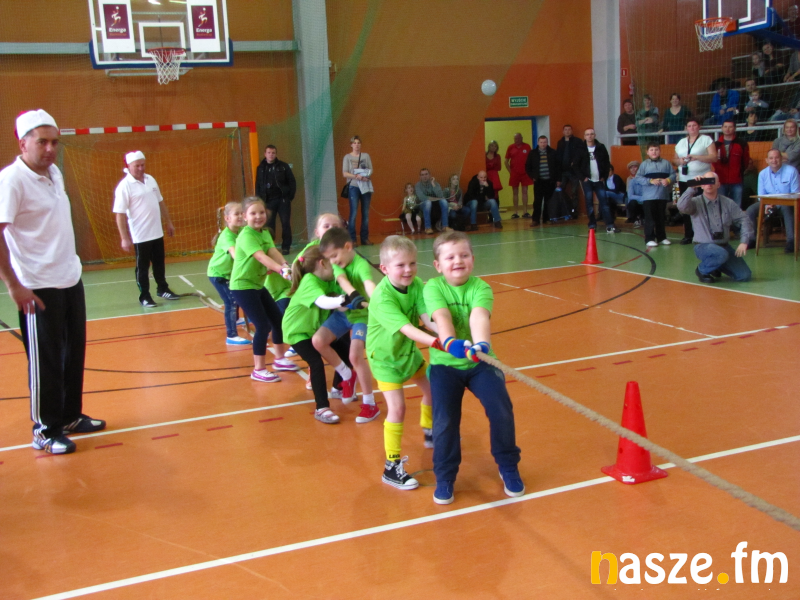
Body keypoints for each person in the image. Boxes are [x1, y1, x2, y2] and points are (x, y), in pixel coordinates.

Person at [0, 109, 105, 455]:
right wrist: (14, 285)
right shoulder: (11, 181)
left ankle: (70, 415)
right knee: (45, 361)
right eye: (42, 142)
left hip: (69, 278)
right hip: (37, 286)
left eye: (54, 142)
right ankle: (45, 429)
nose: (50, 149)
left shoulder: (54, 172)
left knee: (73, 353)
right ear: (23, 143)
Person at [423, 231, 523, 505]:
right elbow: (442, 317)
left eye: (464, 255)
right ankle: (445, 476)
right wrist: (450, 342)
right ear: (438, 265)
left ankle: (508, 465)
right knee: (445, 421)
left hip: (480, 363)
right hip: (445, 365)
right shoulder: (432, 288)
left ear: (473, 260)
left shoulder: (481, 287)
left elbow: (479, 316)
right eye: (450, 257)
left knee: (501, 408)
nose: (458, 261)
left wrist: (481, 346)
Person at [367, 236, 438, 489]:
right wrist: (439, 343)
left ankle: (429, 429)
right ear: (384, 268)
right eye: (400, 265)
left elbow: (426, 317)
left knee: (432, 388)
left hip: (407, 353)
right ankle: (391, 467)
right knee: (397, 409)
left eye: (412, 263)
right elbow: (408, 328)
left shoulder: (416, 284)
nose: (408, 270)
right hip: (385, 360)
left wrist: (446, 333)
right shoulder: (382, 297)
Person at [283, 245, 357, 424]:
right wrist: (345, 299)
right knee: (316, 362)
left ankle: (338, 387)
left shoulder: (328, 280)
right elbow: (323, 302)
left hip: (315, 328)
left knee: (345, 350)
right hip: (297, 331)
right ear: (322, 264)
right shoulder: (309, 280)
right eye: (334, 263)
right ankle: (322, 407)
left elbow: (339, 305)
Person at [229, 196, 299, 382]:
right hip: (243, 286)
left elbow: (272, 251)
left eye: (261, 212)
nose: (258, 216)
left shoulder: (264, 233)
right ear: (245, 216)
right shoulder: (246, 236)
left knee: (277, 320)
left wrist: (285, 264)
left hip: (257, 284)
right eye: (253, 213)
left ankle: (280, 359)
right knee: (262, 325)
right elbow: (260, 257)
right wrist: (280, 270)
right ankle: (258, 369)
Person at [319, 226, 381, 423]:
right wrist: (353, 295)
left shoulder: (360, 264)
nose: (333, 261)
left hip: (360, 316)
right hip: (343, 314)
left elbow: (369, 283)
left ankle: (370, 404)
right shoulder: (338, 265)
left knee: (355, 356)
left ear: (347, 247)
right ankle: (347, 376)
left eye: (334, 256)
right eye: (329, 258)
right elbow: (342, 279)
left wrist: (376, 302)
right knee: (318, 341)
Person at [113, 150, 178, 307]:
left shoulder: (151, 180)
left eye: (143, 165)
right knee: (142, 268)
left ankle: (162, 288)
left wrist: (168, 222)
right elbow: (120, 214)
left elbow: (160, 202)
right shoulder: (124, 186)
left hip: (157, 232)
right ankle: (145, 296)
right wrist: (124, 238)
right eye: (137, 166)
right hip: (140, 236)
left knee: (159, 263)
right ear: (129, 166)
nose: (141, 168)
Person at [677, 172, 753, 283]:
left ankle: (716, 266)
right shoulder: (695, 202)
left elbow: (744, 219)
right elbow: (681, 206)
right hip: (703, 246)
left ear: (718, 185)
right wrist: (692, 188)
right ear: (701, 185)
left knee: (744, 275)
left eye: (712, 181)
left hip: (723, 246)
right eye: (706, 181)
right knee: (720, 254)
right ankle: (702, 270)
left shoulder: (728, 203)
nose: (709, 184)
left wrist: (744, 242)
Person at [207, 202, 250, 345]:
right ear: (227, 218)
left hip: (229, 273)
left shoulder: (241, 231)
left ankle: (236, 319)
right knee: (231, 301)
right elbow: (235, 254)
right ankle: (231, 335)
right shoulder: (227, 236)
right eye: (236, 214)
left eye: (242, 213)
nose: (240, 216)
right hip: (218, 274)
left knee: (236, 295)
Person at [673, 119, 717, 244]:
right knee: (686, 206)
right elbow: (674, 160)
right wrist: (680, 161)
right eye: (689, 126)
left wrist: (696, 157)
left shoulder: (706, 139)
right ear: (686, 128)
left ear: (699, 127)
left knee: (703, 206)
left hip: (702, 179)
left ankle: (706, 234)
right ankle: (688, 234)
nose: (692, 128)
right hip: (684, 179)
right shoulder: (681, 142)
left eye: (694, 125)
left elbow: (714, 157)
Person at [746, 149, 798, 254]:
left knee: (786, 208)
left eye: (777, 157)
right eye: (771, 158)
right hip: (768, 203)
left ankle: (791, 241)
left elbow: (796, 194)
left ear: (781, 159)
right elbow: (761, 195)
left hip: (787, 203)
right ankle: (752, 240)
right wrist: (766, 206)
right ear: (767, 160)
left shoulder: (792, 171)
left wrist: (778, 203)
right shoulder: (762, 174)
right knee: (750, 210)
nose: (774, 160)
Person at [255, 144, 296, 255]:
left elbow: (292, 182)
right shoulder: (260, 168)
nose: (271, 155)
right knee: (269, 225)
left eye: (273, 153)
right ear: (265, 154)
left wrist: (289, 197)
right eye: (269, 153)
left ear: (276, 154)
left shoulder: (283, 166)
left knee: (285, 223)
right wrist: (259, 201)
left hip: (282, 200)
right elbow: (258, 185)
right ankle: (270, 247)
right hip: (268, 201)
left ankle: (286, 247)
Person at [635, 142, 676, 247]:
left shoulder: (666, 163)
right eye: (652, 150)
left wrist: (668, 180)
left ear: (660, 151)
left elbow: (673, 175)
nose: (654, 152)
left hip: (662, 195)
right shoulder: (644, 164)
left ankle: (662, 237)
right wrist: (650, 181)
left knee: (661, 217)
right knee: (650, 218)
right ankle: (649, 238)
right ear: (647, 152)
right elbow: (638, 177)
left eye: (656, 149)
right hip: (649, 197)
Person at [575, 128, 614, 232]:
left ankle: (610, 224)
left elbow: (607, 163)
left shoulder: (601, 147)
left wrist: (604, 176)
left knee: (604, 203)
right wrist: (583, 177)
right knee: (589, 203)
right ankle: (592, 224)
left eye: (591, 134)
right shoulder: (580, 149)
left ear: (594, 135)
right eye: (587, 134)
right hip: (587, 180)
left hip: (599, 180)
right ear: (584, 136)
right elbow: (575, 165)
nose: (590, 136)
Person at [342, 135, 374, 246]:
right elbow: (345, 173)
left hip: (365, 186)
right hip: (354, 186)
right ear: (351, 145)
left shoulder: (365, 156)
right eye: (354, 143)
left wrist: (365, 175)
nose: (357, 145)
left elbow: (370, 169)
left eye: (358, 143)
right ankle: (352, 239)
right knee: (354, 212)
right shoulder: (347, 157)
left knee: (365, 213)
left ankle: (364, 238)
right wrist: (356, 176)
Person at [714, 120, 750, 208]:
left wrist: (738, 172)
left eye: (730, 127)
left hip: (736, 180)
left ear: (734, 128)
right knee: (721, 205)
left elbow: (745, 161)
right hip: (721, 180)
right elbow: (713, 161)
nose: (727, 129)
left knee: (737, 206)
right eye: (725, 126)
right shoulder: (716, 144)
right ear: (722, 128)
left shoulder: (742, 143)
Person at [525, 135, 560, 226]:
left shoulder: (553, 152)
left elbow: (557, 167)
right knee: (537, 201)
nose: (543, 144)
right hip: (538, 181)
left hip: (550, 181)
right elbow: (528, 167)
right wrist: (532, 176)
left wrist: (558, 179)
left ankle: (546, 218)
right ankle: (535, 219)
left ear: (547, 142)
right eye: (541, 142)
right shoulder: (533, 153)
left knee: (548, 201)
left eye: (545, 142)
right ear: (538, 143)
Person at [556, 124, 584, 213]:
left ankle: (574, 211)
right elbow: (558, 157)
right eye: (566, 129)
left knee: (574, 192)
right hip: (563, 171)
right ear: (563, 131)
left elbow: (581, 154)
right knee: (560, 191)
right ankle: (563, 210)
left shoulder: (577, 141)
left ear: (572, 131)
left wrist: (574, 162)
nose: (567, 131)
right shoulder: (560, 142)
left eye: (569, 129)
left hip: (574, 172)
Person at [504, 133, 533, 218]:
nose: (517, 140)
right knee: (515, 192)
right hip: (515, 173)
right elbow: (506, 161)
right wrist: (510, 171)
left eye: (518, 138)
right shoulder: (510, 147)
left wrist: (530, 171)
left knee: (525, 192)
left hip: (525, 173)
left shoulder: (527, 146)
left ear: (521, 138)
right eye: (515, 138)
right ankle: (515, 212)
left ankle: (525, 211)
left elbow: (531, 159)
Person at [415, 168, 449, 235]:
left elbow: (441, 195)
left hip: (435, 203)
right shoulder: (418, 185)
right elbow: (422, 197)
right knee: (428, 202)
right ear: (420, 176)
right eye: (422, 175)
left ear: (429, 175)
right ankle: (428, 228)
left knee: (444, 201)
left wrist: (433, 184)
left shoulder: (435, 183)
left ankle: (445, 226)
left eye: (426, 174)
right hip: (423, 204)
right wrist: (435, 198)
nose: (424, 176)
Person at [625, 160, 644, 227]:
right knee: (629, 200)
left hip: (644, 200)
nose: (633, 169)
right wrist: (642, 198)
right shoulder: (630, 180)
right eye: (631, 168)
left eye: (635, 167)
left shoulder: (644, 179)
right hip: (636, 199)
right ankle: (632, 218)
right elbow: (629, 194)